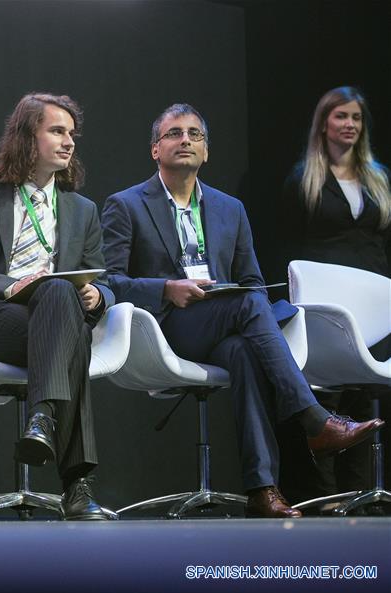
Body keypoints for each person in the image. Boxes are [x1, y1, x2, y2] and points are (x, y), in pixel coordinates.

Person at [101, 102, 384, 518]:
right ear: (155, 149)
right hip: (164, 328)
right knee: (252, 304)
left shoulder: (229, 208)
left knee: (245, 350)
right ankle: (314, 419)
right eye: (174, 134)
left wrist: (238, 301)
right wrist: (166, 289)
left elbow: (250, 279)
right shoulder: (125, 205)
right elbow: (109, 282)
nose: (185, 141)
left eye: (195, 134)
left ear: (206, 151)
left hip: (226, 323)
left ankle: (262, 489)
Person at [0, 93, 115, 520]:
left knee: (59, 295)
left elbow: (103, 278)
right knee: (69, 330)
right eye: (56, 131)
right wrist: (12, 284)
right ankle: (77, 485)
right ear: (26, 137)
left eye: (72, 134)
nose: (68, 142)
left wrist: (99, 296)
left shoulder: (83, 210)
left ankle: (42, 420)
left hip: (57, 315)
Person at [279, 86, 391, 503]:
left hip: (376, 302)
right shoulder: (303, 179)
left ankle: (362, 494)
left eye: (356, 118)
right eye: (341, 116)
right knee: (327, 399)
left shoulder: (378, 178)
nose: (349, 125)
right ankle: (325, 497)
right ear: (324, 123)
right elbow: (289, 246)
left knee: (366, 398)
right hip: (326, 303)